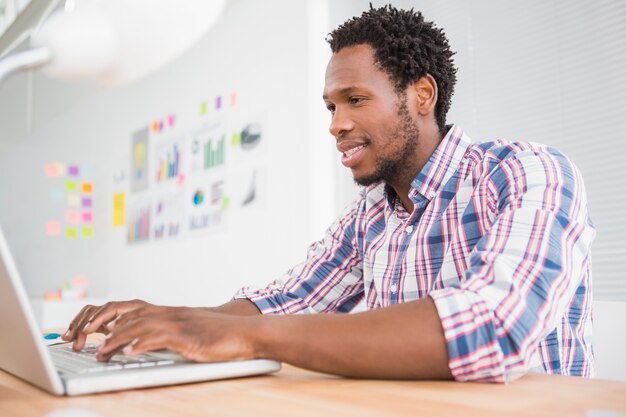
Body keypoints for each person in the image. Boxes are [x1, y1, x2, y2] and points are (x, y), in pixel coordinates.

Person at [62, 5, 595, 383]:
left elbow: (493, 328)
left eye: (355, 100)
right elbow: (283, 303)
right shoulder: (370, 215)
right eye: (331, 107)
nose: (337, 124)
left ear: (422, 95)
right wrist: (172, 320)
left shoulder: (528, 172)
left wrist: (249, 339)